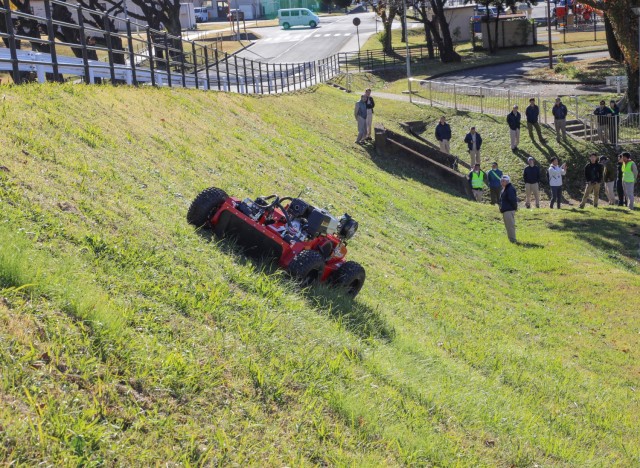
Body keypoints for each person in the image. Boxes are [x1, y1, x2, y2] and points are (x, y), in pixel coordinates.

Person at [499, 175, 518, 243]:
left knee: (510, 226)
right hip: (505, 210)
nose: (501, 182)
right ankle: (511, 239)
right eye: (501, 180)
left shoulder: (509, 188)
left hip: (509, 210)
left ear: (507, 181)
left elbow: (512, 199)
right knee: (508, 226)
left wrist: (514, 208)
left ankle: (513, 239)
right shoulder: (504, 189)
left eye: (503, 181)